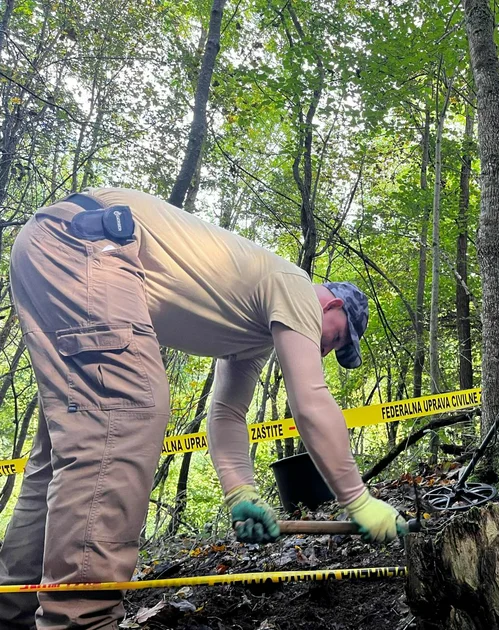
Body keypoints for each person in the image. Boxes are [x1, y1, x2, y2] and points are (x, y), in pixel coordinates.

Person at [0, 188, 406, 629]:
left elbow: (227, 414)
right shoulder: (296, 287)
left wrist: (241, 492)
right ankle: (79, 621)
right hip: (92, 245)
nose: (327, 349)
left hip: (54, 246)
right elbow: (309, 399)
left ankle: (12, 612)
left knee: (66, 451)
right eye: (337, 339)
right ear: (331, 304)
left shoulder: (251, 334)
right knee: (129, 411)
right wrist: (359, 500)